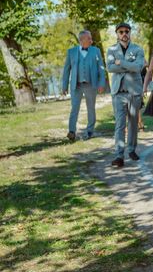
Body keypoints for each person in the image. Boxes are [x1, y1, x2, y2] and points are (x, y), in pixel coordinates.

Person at [106, 23, 144, 167]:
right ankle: (119, 155)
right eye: (121, 32)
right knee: (119, 125)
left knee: (133, 124)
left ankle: (131, 149)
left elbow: (138, 67)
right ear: (117, 34)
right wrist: (129, 65)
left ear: (130, 33)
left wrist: (120, 62)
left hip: (134, 92)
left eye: (126, 31)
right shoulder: (111, 50)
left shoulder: (138, 49)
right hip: (118, 93)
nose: (124, 34)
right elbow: (110, 68)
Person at [61, 30, 106, 141]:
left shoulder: (96, 51)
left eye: (91, 38)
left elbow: (101, 68)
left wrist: (101, 83)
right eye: (89, 38)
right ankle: (72, 131)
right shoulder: (71, 52)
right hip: (76, 85)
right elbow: (66, 70)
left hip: (91, 84)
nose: (91, 40)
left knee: (91, 108)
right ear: (81, 40)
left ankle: (90, 131)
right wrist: (64, 86)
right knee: (74, 108)